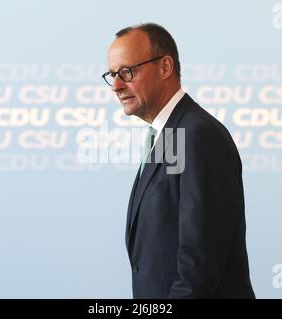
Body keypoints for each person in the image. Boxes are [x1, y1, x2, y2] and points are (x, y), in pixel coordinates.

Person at [102, 23, 255, 298]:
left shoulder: (197, 135)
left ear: (165, 67)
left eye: (127, 72)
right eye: (112, 74)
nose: (116, 85)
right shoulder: (171, 132)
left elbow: (199, 262)